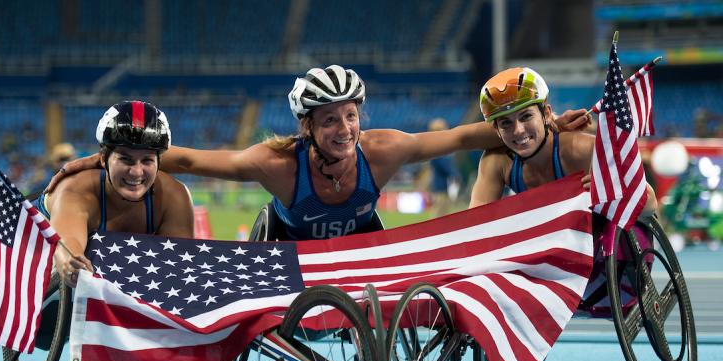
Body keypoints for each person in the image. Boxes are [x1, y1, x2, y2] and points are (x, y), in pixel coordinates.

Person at [49, 65, 590, 240]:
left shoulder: (383, 151)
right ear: (307, 127)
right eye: (330, 120)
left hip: (359, 237)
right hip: (288, 240)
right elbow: (186, 161)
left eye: (351, 116)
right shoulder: (275, 163)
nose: (344, 129)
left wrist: (543, 122)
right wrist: (109, 155)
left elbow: (465, 136)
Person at [35, 100, 195, 287]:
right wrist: (72, 263)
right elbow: (67, 246)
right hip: (33, 273)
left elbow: (177, 273)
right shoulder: (75, 189)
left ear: (160, 162)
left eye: (147, 160)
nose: (136, 172)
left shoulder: (174, 197)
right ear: (103, 158)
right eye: (125, 160)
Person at [469, 66, 657, 216]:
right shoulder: (496, 161)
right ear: (497, 130)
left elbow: (650, 204)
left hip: (609, 246)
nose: (518, 130)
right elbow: (474, 223)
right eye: (506, 123)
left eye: (526, 117)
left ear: (547, 114)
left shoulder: (581, 149)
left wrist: (615, 191)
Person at [426, 118, 460, 217]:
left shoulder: (435, 146)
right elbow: (446, 166)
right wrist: (455, 174)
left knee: (442, 215)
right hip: (441, 188)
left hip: (440, 186)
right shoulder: (437, 148)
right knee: (440, 216)